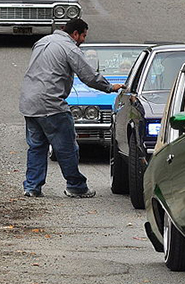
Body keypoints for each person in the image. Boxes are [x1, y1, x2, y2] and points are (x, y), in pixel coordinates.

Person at [19, 18, 125, 198]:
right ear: (75, 34)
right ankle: (76, 186)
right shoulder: (69, 48)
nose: (83, 39)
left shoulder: (42, 42)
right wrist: (109, 87)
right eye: (83, 35)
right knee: (67, 148)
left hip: (29, 102)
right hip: (51, 104)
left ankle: (32, 187)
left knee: (36, 147)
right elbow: (88, 75)